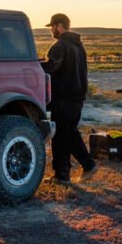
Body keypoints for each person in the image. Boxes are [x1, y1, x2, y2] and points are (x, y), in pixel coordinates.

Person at [41, 13, 97, 182]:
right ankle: (79, 168)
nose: (51, 30)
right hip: (77, 97)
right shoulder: (79, 46)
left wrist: (34, 64)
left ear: (59, 26)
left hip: (63, 98)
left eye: (52, 26)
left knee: (61, 136)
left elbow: (52, 66)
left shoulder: (61, 45)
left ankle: (65, 174)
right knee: (68, 134)